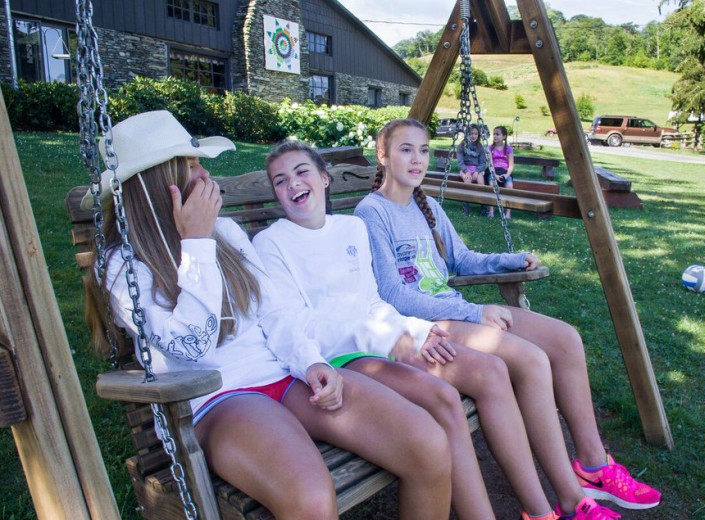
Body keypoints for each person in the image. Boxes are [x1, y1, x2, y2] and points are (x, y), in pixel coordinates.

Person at [82, 111, 452, 520]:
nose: (205, 173)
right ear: (159, 180)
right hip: (217, 398)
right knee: (311, 499)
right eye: (191, 164)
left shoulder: (226, 232)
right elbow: (194, 346)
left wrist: (309, 362)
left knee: (427, 444)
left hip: (284, 377)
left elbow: (273, 312)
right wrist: (196, 244)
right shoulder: (122, 267)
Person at [255, 140, 616, 520]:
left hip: (385, 336)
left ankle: (541, 511)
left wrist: (413, 331)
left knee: (490, 370)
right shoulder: (270, 244)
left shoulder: (350, 230)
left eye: (301, 172)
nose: (293, 184)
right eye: (280, 180)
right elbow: (299, 323)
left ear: (324, 179)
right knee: (443, 398)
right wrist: (392, 338)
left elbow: (374, 302)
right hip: (341, 356)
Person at [354, 118, 663, 515]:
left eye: (424, 150)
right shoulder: (371, 212)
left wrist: (510, 260)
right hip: (426, 325)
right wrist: (474, 311)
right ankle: (569, 500)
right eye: (405, 150)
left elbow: (461, 260)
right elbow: (394, 295)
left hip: (454, 311)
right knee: (531, 360)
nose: (417, 159)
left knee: (566, 339)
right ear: (383, 155)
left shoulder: (424, 203)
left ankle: (593, 465)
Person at [484, 125, 514, 219]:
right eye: (494, 134)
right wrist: (495, 176)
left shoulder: (508, 149)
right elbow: (490, 164)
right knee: (492, 185)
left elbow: (511, 165)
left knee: (509, 187)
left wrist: (506, 175)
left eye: (498, 134)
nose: (495, 136)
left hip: (505, 171)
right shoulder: (490, 148)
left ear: (504, 136)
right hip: (493, 171)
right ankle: (491, 210)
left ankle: (508, 212)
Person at [456, 123, 487, 215]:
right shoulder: (462, 146)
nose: (473, 136)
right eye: (471, 133)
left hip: (477, 169)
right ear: (467, 134)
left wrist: (477, 172)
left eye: (475, 134)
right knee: (467, 181)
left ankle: (483, 207)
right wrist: (466, 171)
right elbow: (460, 162)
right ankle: (466, 207)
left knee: (481, 183)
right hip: (465, 168)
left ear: (478, 135)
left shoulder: (480, 147)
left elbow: (483, 162)